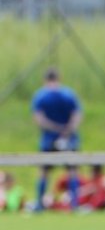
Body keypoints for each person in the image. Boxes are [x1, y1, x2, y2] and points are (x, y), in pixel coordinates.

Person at [29, 68, 82, 212]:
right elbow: (76, 115)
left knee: (44, 171)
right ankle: (74, 204)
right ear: (59, 78)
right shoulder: (68, 94)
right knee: (72, 171)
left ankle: (39, 204)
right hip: (69, 137)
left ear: (45, 79)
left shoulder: (41, 95)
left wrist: (54, 128)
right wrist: (67, 130)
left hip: (48, 139)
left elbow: (38, 118)